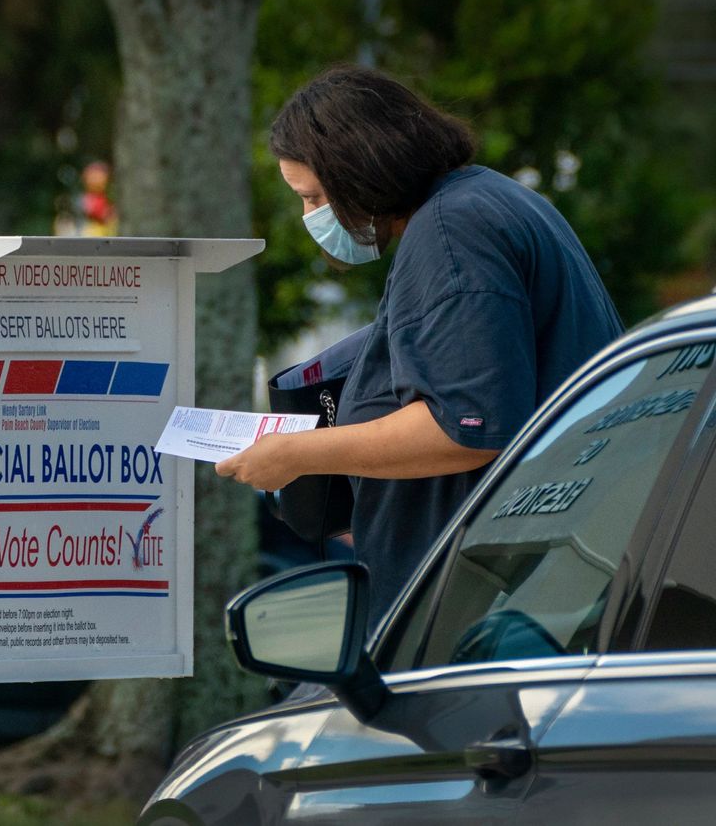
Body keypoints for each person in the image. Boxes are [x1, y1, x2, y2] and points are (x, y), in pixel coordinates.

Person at [216, 65, 624, 628]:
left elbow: (468, 427)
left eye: (313, 197)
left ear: (359, 170)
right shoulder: (483, 201)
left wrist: (298, 455)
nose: (310, 217)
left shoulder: (452, 233)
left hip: (485, 605)